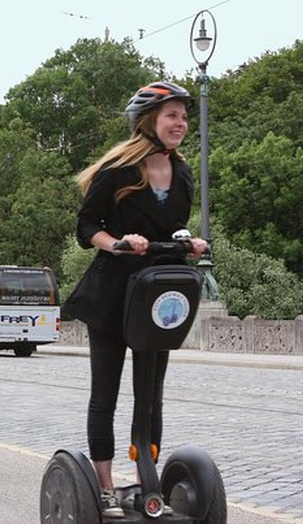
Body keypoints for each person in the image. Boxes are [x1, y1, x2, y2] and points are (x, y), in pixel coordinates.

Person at [62, 81, 208, 518]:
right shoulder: (118, 170)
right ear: (148, 122)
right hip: (111, 294)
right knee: (104, 393)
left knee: (151, 394)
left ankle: (148, 477)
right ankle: (105, 486)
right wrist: (119, 242)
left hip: (157, 296)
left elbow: (172, 228)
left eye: (183, 116)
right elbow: (87, 227)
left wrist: (187, 242)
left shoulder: (182, 173)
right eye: (172, 116)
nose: (180, 123)